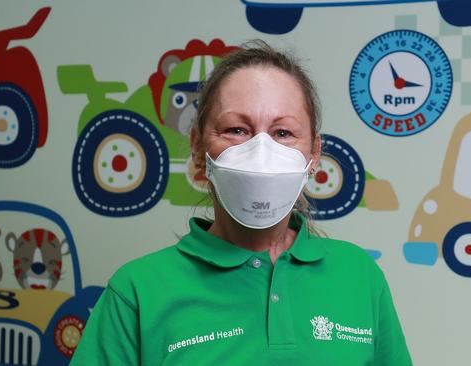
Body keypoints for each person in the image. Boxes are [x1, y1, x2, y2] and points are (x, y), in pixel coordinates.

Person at [70, 40, 412, 365]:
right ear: (197, 147)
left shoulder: (360, 277)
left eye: (282, 133)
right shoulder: (137, 292)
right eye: (237, 129)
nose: (261, 153)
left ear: (314, 154)